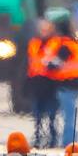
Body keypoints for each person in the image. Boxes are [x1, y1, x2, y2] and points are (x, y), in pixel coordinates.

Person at [45, 14, 78, 147]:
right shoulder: (74, 42)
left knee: (68, 116)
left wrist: (46, 63)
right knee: (70, 115)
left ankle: (68, 143)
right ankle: (69, 141)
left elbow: (56, 64)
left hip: (66, 84)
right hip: (74, 84)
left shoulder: (65, 46)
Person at [27, 17, 59, 147]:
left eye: (46, 29)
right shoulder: (34, 43)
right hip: (37, 82)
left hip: (50, 82)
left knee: (52, 114)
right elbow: (31, 63)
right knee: (37, 114)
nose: (44, 31)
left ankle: (53, 138)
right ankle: (38, 137)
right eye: (42, 29)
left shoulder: (56, 43)